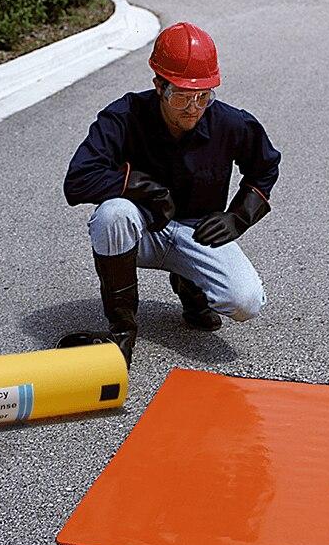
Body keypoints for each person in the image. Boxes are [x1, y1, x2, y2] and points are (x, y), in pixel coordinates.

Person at [61, 21, 281, 368]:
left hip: (198, 234)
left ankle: (191, 285)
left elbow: (265, 167)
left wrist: (238, 216)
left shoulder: (230, 123)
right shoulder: (125, 115)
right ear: (159, 85)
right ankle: (121, 333)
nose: (193, 108)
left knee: (246, 302)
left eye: (203, 96)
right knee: (112, 214)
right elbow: (77, 180)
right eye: (181, 96)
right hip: (143, 230)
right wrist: (140, 186)